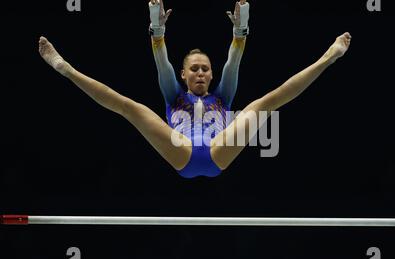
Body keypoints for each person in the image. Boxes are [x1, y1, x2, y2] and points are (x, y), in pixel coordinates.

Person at [38, 0, 351, 178]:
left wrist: (239, 34)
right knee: (130, 108)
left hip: (217, 153)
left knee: (263, 104)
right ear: (184, 75)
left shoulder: (222, 96)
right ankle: (66, 68)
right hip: (181, 151)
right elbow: (162, 64)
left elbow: (233, 64)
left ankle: (328, 57)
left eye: (205, 69)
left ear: (211, 74)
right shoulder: (173, 94)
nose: (201, 73)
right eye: (195, 69)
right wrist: (157, 32)